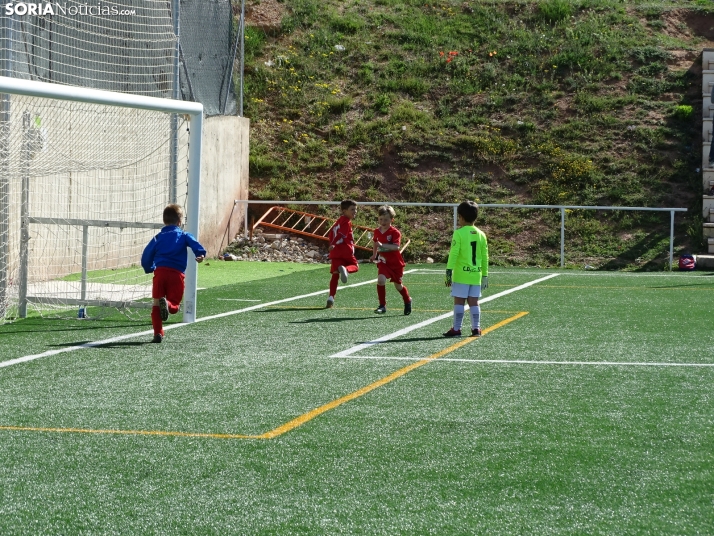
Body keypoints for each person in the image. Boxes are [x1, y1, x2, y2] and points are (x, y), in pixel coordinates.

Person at [141, 204, 206, 343]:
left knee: (156, 304)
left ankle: (158, 333)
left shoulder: (157, 238)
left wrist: (149, 267)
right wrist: (200, 254)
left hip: (160, 273)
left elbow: (146, 255)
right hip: (176, 274)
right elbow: (195, 244)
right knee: (175, 306)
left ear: (164, 221)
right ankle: (168, 304)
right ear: (180, 222)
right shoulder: (183, 235)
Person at [443, 200, 488, 337]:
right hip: (476, 274)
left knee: (459, 301)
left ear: (461, 217)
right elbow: (485, 256)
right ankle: (476, 329)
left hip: (462, 274)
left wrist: (449, 271)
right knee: (474, 302)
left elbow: (454, 254)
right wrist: (485, 274)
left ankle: (456, 329)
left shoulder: (459, 233)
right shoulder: (481, 234)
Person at [369, 205, 412, 315]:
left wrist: (383, 245)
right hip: (383, 261)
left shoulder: (395, 232)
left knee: (398, 286)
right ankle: (382, 305)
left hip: (395, 263)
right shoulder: (377, 231)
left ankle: (407, 300)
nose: (383, 222)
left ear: (392, 220)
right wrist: (374, 255)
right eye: (381, 219)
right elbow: (375, 243)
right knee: (381, 280)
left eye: (386, 219)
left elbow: (396, 247)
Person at [326, 199, 359, 308]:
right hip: (345, 249)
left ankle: (331, 297)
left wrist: (331, 245)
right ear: (344, 211)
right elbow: (341, 234)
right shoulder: (346, 221)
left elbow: (331, 234)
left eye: (356, 209)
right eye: (352, 209)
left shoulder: (338, 222)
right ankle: (346, 270)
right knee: (355, 266)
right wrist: (334, 243)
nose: (355, 211)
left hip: (335, 252)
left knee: (335, 274)